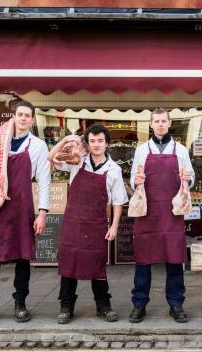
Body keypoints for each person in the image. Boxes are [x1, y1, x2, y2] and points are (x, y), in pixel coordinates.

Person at [0, 101, 51, 325]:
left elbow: (45, 180)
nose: (24, 118)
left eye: (28, 115)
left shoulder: (38, 146)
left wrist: (42, 212)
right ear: (14, 117)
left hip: (22, 209)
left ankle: (20, 303)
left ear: (33, 120)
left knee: (23, 258)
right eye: (20, 115)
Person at [49, 124, 128, 324]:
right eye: (92, 141)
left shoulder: (114, 170)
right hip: (73, 223)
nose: (96, 145)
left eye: (100, 140)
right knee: (69, 265)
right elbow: (51, 158)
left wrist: (114, 227)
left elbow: (118, 202)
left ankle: (103, 306)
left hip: (96, 225)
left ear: (106, 143)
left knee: (97, 267)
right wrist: (67, 140)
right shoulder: (77, 161)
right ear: (87, 143)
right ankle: (66, 307)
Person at [128, 107, 195, 323]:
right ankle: (139, 304)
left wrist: (188, 178)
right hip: (147, 212)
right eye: (156, 121)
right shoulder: (141, 150)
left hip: (172, 213)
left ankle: (176, 304)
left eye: (163, 121)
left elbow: (190, 177)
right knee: (143, 261)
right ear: (150, 124)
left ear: (169, 123)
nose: (159, 124)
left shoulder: (181, 150)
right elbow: (132, 180)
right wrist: (136, 181)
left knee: (174, 259)